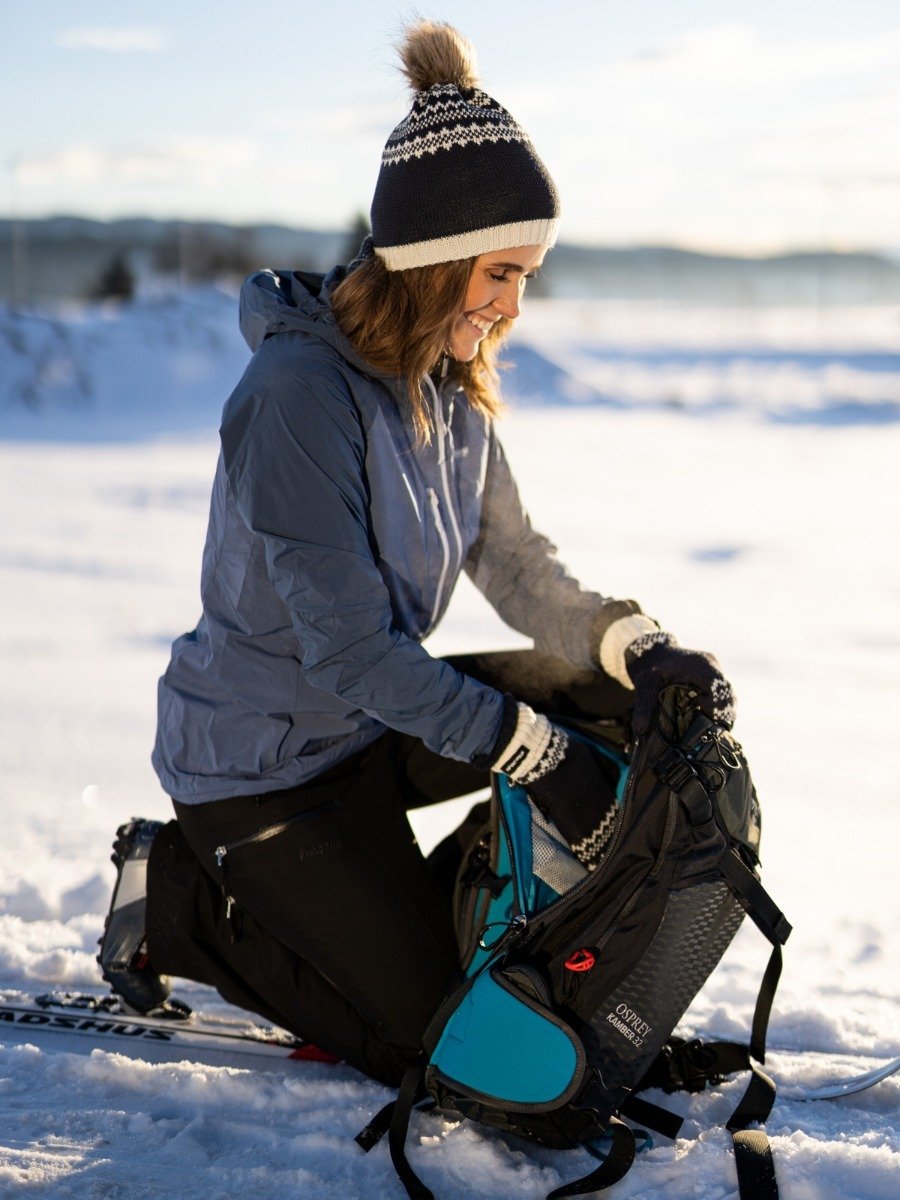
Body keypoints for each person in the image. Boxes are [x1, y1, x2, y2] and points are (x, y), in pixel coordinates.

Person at [98, 21, 735, 1089]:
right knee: (435, 1053)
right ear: (433, 257)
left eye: (527, 276)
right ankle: (179, 899)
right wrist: (530, 755)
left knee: (602, 704)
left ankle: (503, 944)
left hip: (370, 729)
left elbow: (520, 570)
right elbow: (352, 651)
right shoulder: (296, 399)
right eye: (499, 272)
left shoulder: (450, 399)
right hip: (262, 773)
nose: (512, 306)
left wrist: (638, 646)